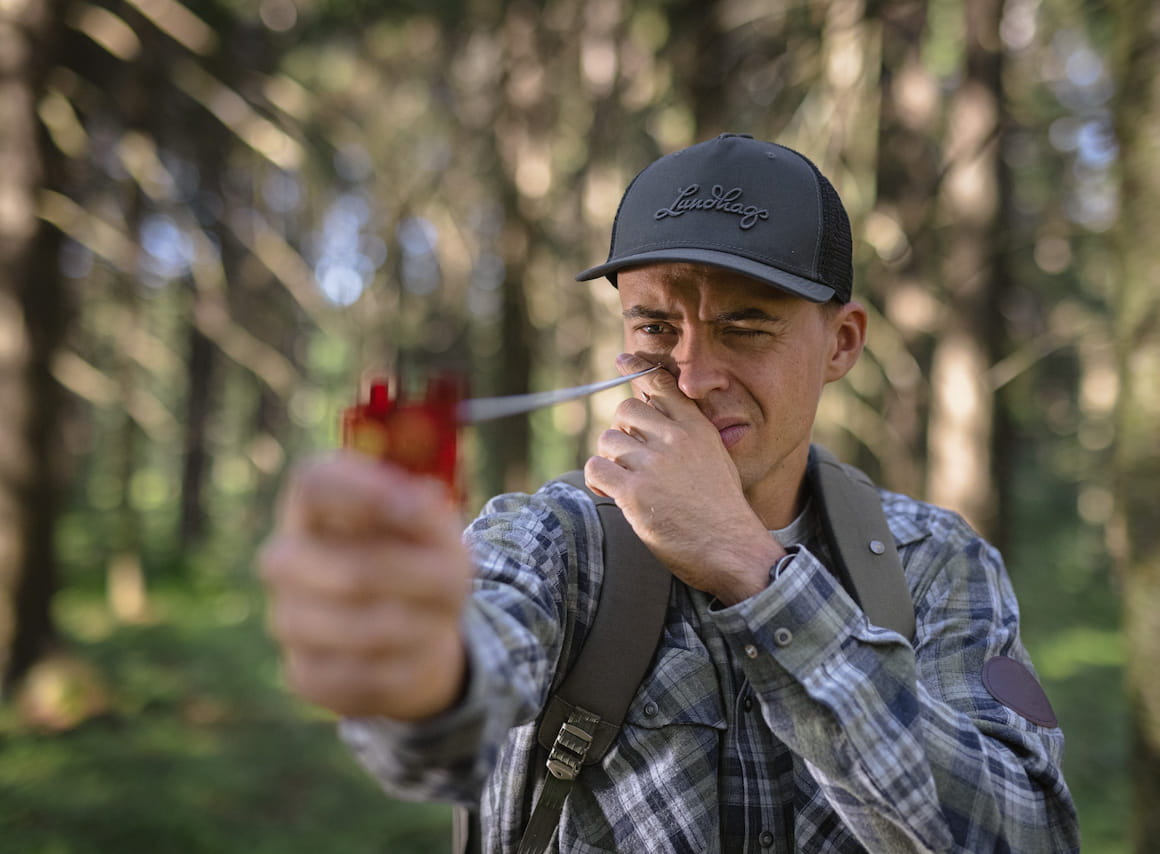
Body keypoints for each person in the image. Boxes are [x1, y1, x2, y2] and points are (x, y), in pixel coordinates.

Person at [258, 133, 1079, 852]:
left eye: (745, 327)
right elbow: (446, 712)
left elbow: (1030, 836)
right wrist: (412, 666)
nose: (692, 375)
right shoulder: (555, 542)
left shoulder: (936, 562)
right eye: (655, 328)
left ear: (842, 343)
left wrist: (752, 570)